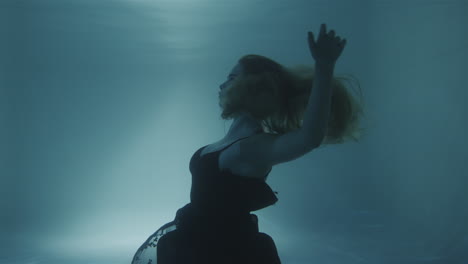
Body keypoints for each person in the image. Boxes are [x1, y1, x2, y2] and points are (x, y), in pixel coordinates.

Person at [131, 23, 366, 264]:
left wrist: (324, 68)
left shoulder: (251, 148)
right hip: (195, 242)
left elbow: (309, 138)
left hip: (223, 251)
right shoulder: (236, 144)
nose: (222, 85)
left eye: (232, 78)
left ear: (253, 86)